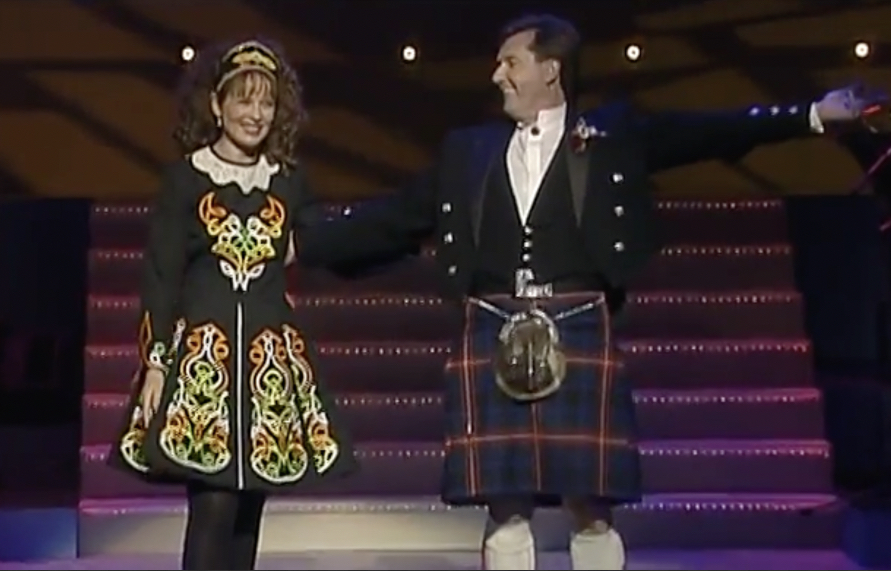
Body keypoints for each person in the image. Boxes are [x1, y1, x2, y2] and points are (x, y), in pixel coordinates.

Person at [295, 13, 880, 571]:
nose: (497, 75)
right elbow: (396, 217)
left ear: (550, 69)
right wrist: (303, 245)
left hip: (578, 323)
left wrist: (810, 115)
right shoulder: (467, 151)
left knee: (590, 506)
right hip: (492, 326)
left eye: (510, 62)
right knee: (503, 504)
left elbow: (707, 133)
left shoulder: (610, 136)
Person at [107, 37, 356, 570]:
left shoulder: (288, 181)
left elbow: (319, 239)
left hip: (267, 367)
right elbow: (161, 275)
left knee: (247, 513)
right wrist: (155, 363)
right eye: (244, 100)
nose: (255, 114)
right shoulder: (185, 179)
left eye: (266, 102)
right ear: (217, 106)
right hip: (204, 369)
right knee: (213, 506)